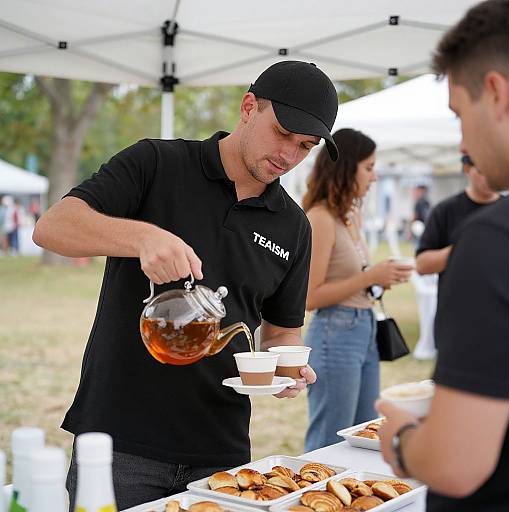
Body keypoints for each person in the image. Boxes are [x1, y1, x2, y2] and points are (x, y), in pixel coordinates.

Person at [33, 60, 339, 510]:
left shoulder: (293, 226)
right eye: (282, 134)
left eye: (305, 146)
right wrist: (141, 236)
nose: (289, 156)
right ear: (248, 107)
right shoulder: (157, 162)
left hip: (221, 451)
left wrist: (285, 369)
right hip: (121, 440)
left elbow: (281, 330)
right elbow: (53, 228)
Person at [377, 2, 509, 510]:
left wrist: (403, 437)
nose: (463, 140)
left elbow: (455, 465)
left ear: (496, 92)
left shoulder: (494, 241)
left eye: (460, 113)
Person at [301, 128, 413, 452]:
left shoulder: (349, 215)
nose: (374, 177)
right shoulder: (320, 218)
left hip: (362, 329)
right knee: (331, 439)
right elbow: (310, 297)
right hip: (335, 332)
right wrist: (369, 278)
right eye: (369, 167)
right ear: (346, 168)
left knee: (364, 435)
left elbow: (352, 278)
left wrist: (379, 279)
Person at [416, 153, 501, 288]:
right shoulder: (445, 210)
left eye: (495, 169)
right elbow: (422, 265)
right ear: (467, 168)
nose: (488, 177)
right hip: (458, 303)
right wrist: (463, 248)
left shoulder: (507, 210)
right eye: (481, 171)